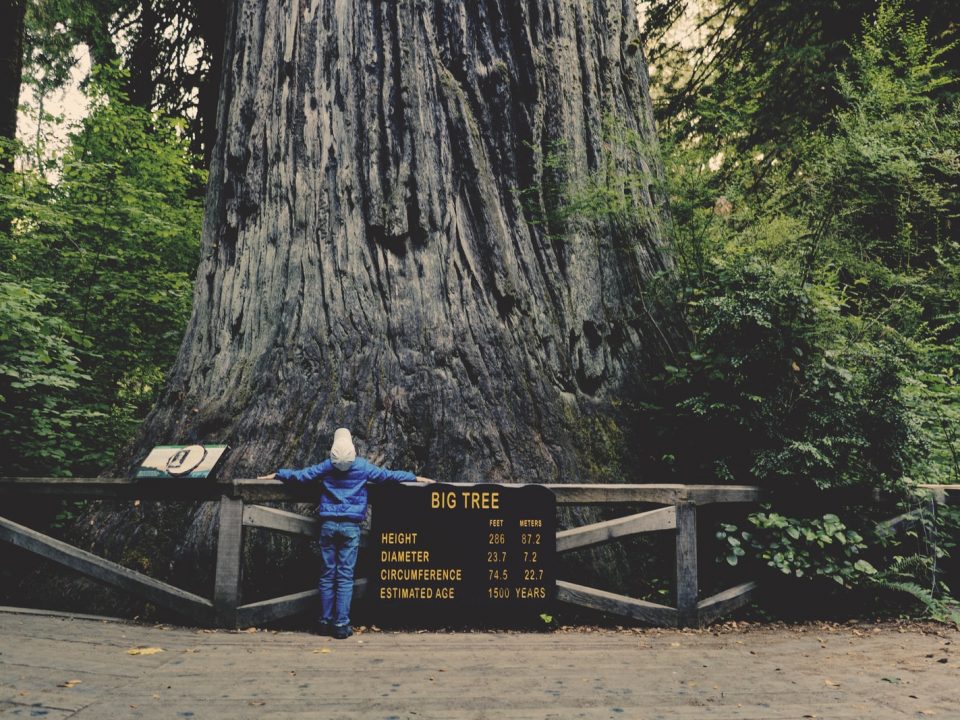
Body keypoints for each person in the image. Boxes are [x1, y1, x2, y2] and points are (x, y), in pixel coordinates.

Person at [259, 428, 432, 639]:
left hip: (328, 526)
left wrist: (279, 473)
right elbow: (388, 477)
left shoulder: (327, 466)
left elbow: (302, 476)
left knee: (327, 575)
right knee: (345, 577)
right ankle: (341, 625)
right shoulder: (362, 467)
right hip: (350, 527)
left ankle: (324, 622)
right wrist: (414, 477)